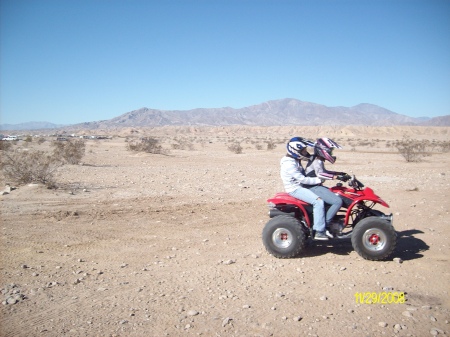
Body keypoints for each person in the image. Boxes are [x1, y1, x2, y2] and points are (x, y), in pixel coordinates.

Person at [279, 137, 329, 241]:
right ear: (295, 151)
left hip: (299, 186)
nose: (305, 152)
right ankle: (319, 231)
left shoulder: (294, 159)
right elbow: (302, 179)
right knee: (318, 202)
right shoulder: (289, 164)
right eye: (303, 150)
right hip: (295, 189)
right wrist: (318, 180)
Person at [304, 138, 349, 232]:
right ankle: (325, 225)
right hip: (312, 187)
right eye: (330, 151)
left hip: (314, 186)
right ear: (323, 150)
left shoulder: (318, 159)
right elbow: (320, 174)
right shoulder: (317, 161)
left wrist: (338, 173)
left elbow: (324, 172)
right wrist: (336, 177)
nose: (331, 153)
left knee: (335, 194)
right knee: (337, 201)